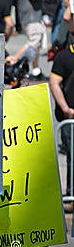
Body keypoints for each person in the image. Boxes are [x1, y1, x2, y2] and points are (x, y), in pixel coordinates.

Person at [17, 0, 56, 81]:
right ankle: (15, 62)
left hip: (32, 16)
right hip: (31, 16)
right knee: (32, 43)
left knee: (36, 45)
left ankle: (35, 69)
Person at [50, 42, 74, 207]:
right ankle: (72, 193)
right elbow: (54, 82)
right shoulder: (64, 57)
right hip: (70, 119)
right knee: (73, 156)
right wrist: (66, 109)